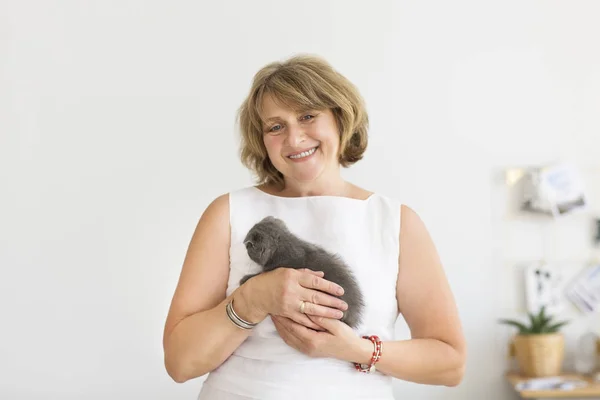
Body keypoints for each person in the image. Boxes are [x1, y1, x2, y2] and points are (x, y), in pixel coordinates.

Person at [162, 55, 466, 399]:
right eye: (275, 126)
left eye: (307, 116)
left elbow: (450, 363)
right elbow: (180, 363)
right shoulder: (227, 213)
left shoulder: (395, 222)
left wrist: (357, 350)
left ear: (340, 117)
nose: (294, 138)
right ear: (262, 140)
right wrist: (252, 299)